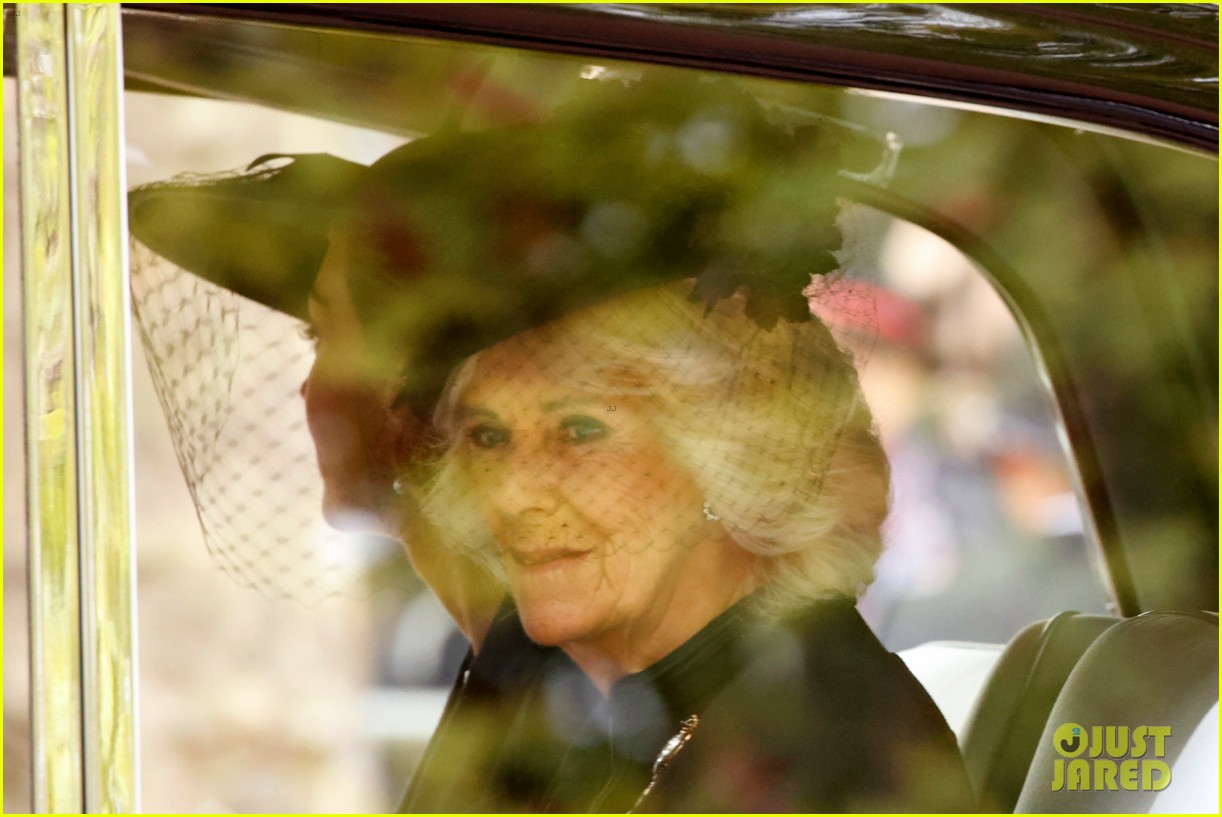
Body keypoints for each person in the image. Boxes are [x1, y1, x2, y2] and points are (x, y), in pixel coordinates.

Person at [129, 72, 973, 812]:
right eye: (488, 435)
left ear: (728, 443)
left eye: (581, 431)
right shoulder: (580, 662)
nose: (515, 489)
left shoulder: (821, 755)